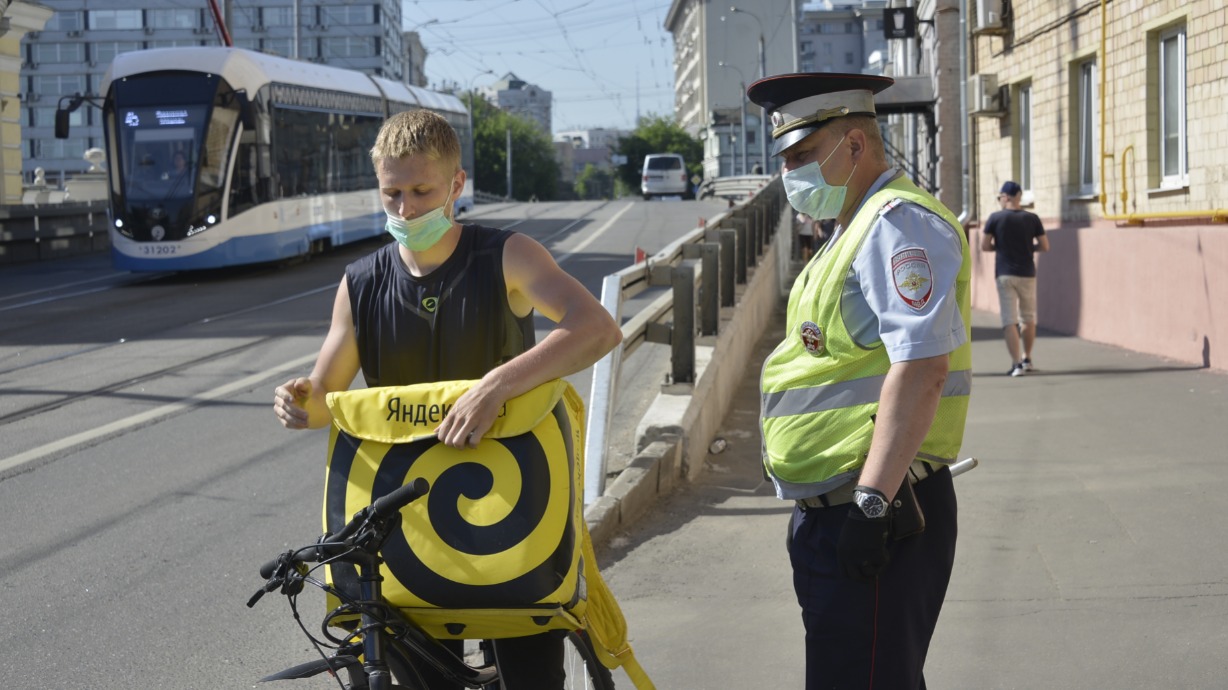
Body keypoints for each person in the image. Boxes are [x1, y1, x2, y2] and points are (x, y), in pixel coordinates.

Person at [270, 109, 622, 689]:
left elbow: (596, 328)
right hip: (406, 523)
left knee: (531, 678)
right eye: (391, 194)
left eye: (420, 191)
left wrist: (496, 385)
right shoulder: (360, 283)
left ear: (456, 185)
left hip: (515, 509)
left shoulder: (507, 255)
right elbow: (322, 403)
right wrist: (296, 402)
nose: (405, 209)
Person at [749, 72, 972, 689]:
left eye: (803, 156)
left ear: (854, 145)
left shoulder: (897, 225)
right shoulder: (848, 227)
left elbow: (924, 367)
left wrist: (870, 505)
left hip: (879, 506)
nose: (792, 173)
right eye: (786, 159)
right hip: (835, 508)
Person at [981, 180, 1049, 376]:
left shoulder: (995, 218)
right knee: (1028, 318)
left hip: (1005, 274)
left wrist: (1000, 248)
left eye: (1000, 197)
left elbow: (985, 246)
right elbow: (1045, 246)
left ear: (1007, 197)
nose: (1000, 200)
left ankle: (1016, 363)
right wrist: (1029, 248)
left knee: (1009, 320)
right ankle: (1027, 358)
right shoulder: (1032, 218)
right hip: (1027, 273)